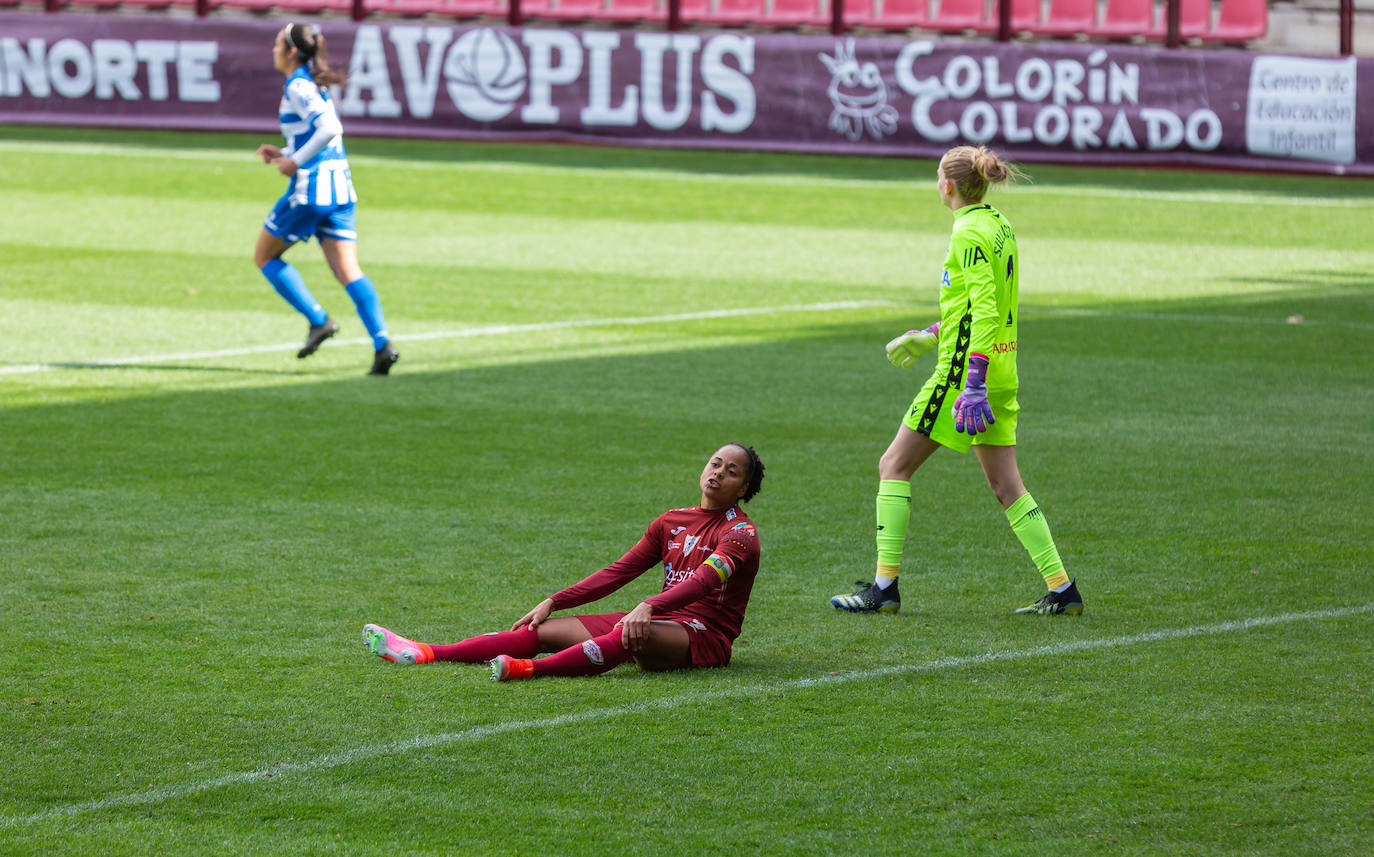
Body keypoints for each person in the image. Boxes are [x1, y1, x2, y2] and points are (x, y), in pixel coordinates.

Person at [829, 145, 1083, 616]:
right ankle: (1062, 589)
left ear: (948, 185)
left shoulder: (966, 232)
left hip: (966, 377)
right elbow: (980, 305)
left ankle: (884, 587)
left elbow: (984, 310)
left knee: (893, 465)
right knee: (1007, 486)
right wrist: (930, 334)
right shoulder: (997, 224)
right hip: (1003, 369)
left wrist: (973, 380)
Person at [363, 444, 765, 681]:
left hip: (702, 634)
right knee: (542, 630)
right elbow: (619, 571)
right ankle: (425, 651)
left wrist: (649, 606)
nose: (718, 474)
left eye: (731, 472)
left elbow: (704, 583)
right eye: (715, 463)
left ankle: (527, 671)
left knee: (630, 633)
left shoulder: (741, 535)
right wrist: (555, 600)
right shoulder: (672, 520)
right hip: (656, 618)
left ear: (743, 488)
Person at [253, 23, 399, 376]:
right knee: (348, 271)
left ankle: (319, 320)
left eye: (277, 44)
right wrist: (286, 151)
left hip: (311, 191)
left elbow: (332, 129)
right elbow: (320, 133)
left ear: (291, 51)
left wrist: (293, 161)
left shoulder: (298, 85)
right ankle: (383, 345)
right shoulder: (311, 84)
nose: (272, 50)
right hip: (340, 189)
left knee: (264, 256)